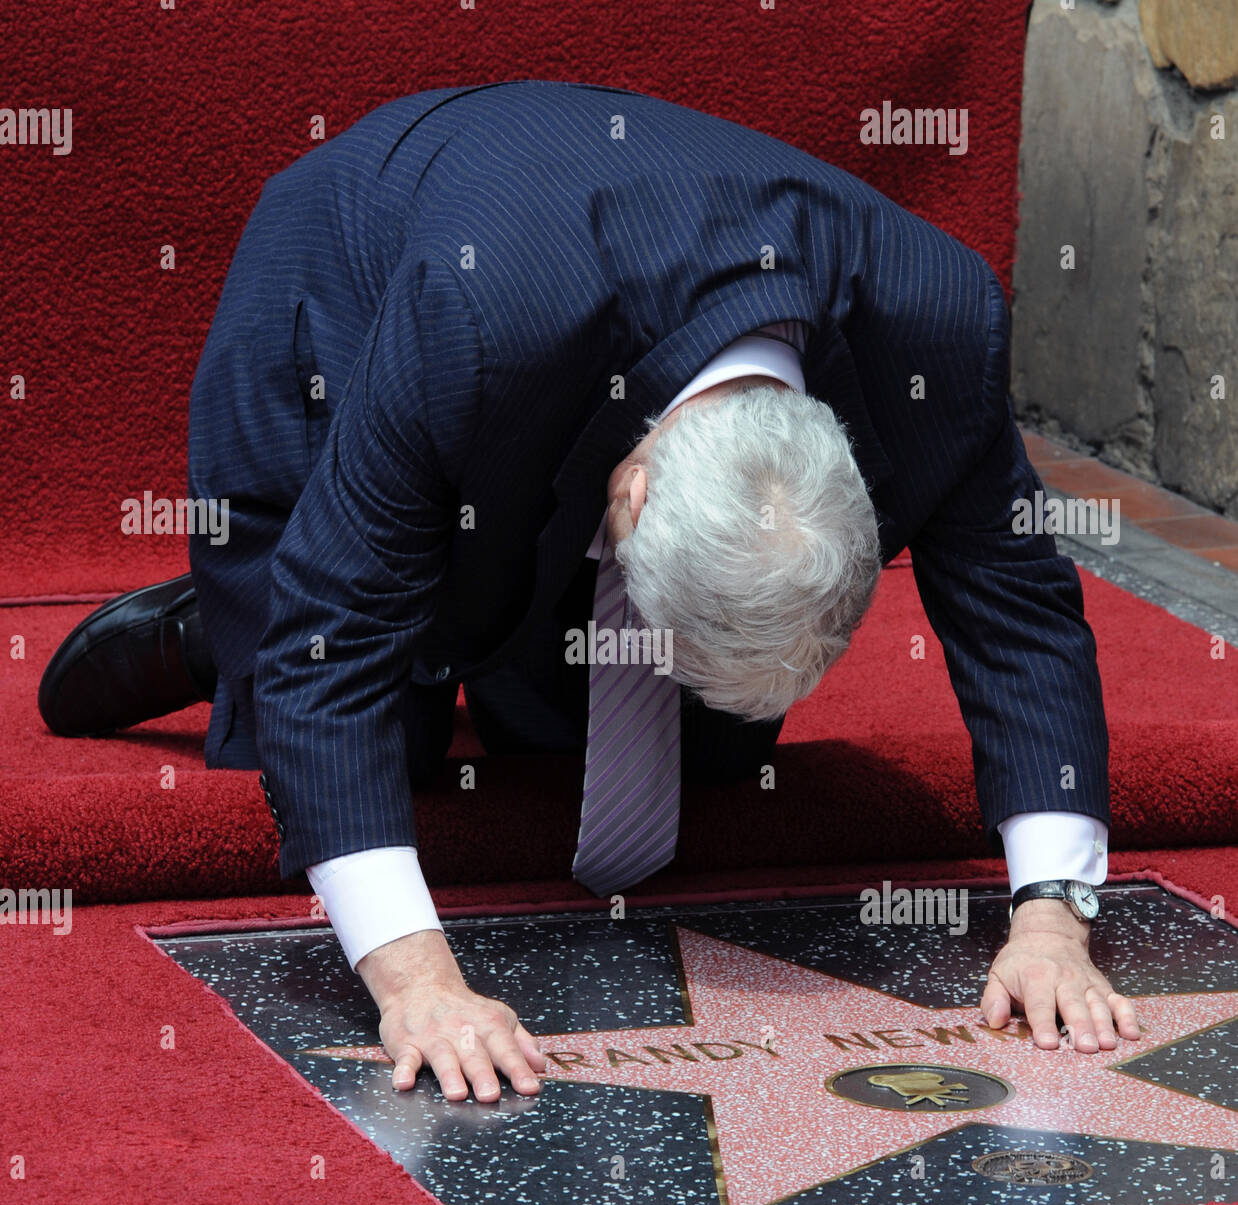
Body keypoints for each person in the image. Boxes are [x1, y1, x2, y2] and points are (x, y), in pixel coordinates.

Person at [39, 80, 1137, 1103]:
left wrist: (1052, 917)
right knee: (377, 726)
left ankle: (501, 608)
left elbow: (1019, 615)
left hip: (578, 369)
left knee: (703, 763)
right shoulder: (469, 319)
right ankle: (218, 628)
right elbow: (330, 642)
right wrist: (417, 980)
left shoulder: (937, 328)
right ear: (630, 493)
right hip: (348, 279)